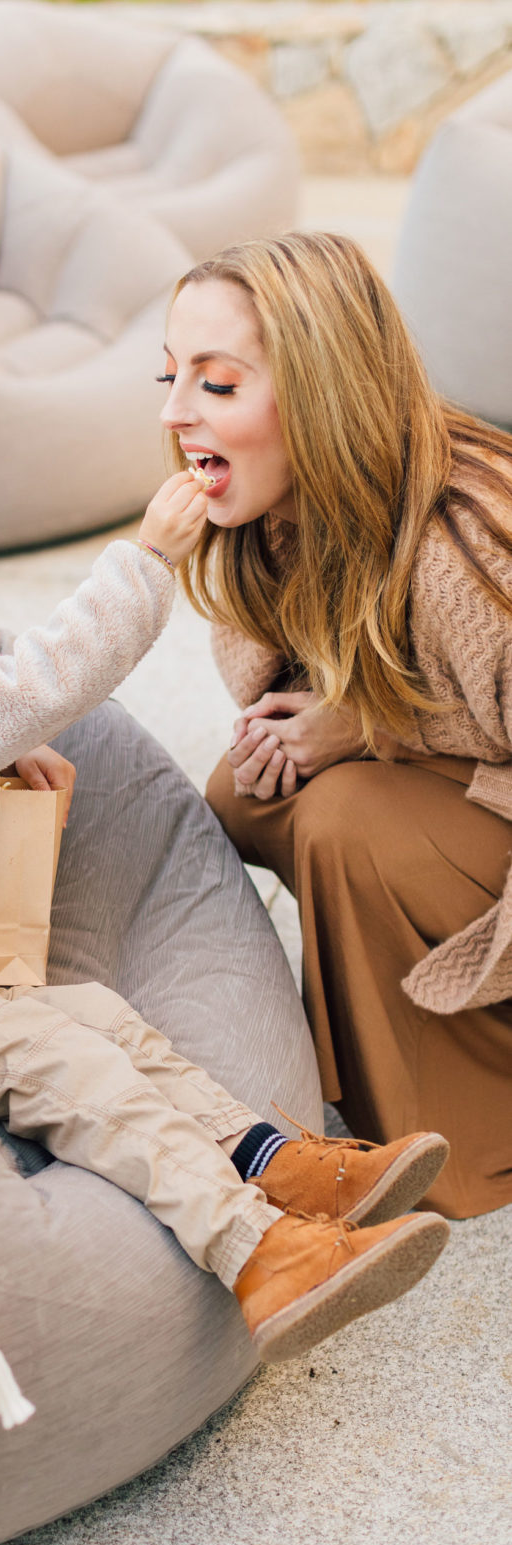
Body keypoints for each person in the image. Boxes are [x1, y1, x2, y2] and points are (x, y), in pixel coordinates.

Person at [0, 469, 450, 1363]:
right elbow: (47, 677)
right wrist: (149, 559)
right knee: (79, 1071)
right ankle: (263, 1252)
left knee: (101, 1019)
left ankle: (272, 1161)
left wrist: (12, 777)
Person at [158, 230, 512, 1219]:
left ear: (316, 392)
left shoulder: (463, 546)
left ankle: (463, 1130)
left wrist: (374, 733)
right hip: (453, 766)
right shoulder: (276, 522)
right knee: (248, 788)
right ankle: (369, 1064)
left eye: (215, 386)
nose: (172, 412)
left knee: (344, 821)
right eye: (169, 374)